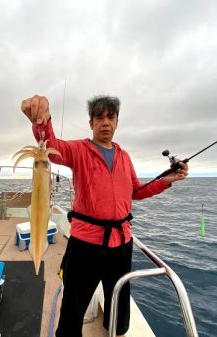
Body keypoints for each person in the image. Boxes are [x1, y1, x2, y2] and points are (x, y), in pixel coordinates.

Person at [20, 94, 189, 337]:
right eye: (99, 118)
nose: (105, 122)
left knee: (118, 301)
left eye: (110, 117)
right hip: (85, 243)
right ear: (91, 123)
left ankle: (116, 331)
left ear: (117, 122)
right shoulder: (79, 149)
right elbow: (51, 148)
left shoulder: (124, 156)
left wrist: (166, 180)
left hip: (121, 243)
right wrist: (41, 121)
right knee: (73, 305)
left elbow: (136, 191)